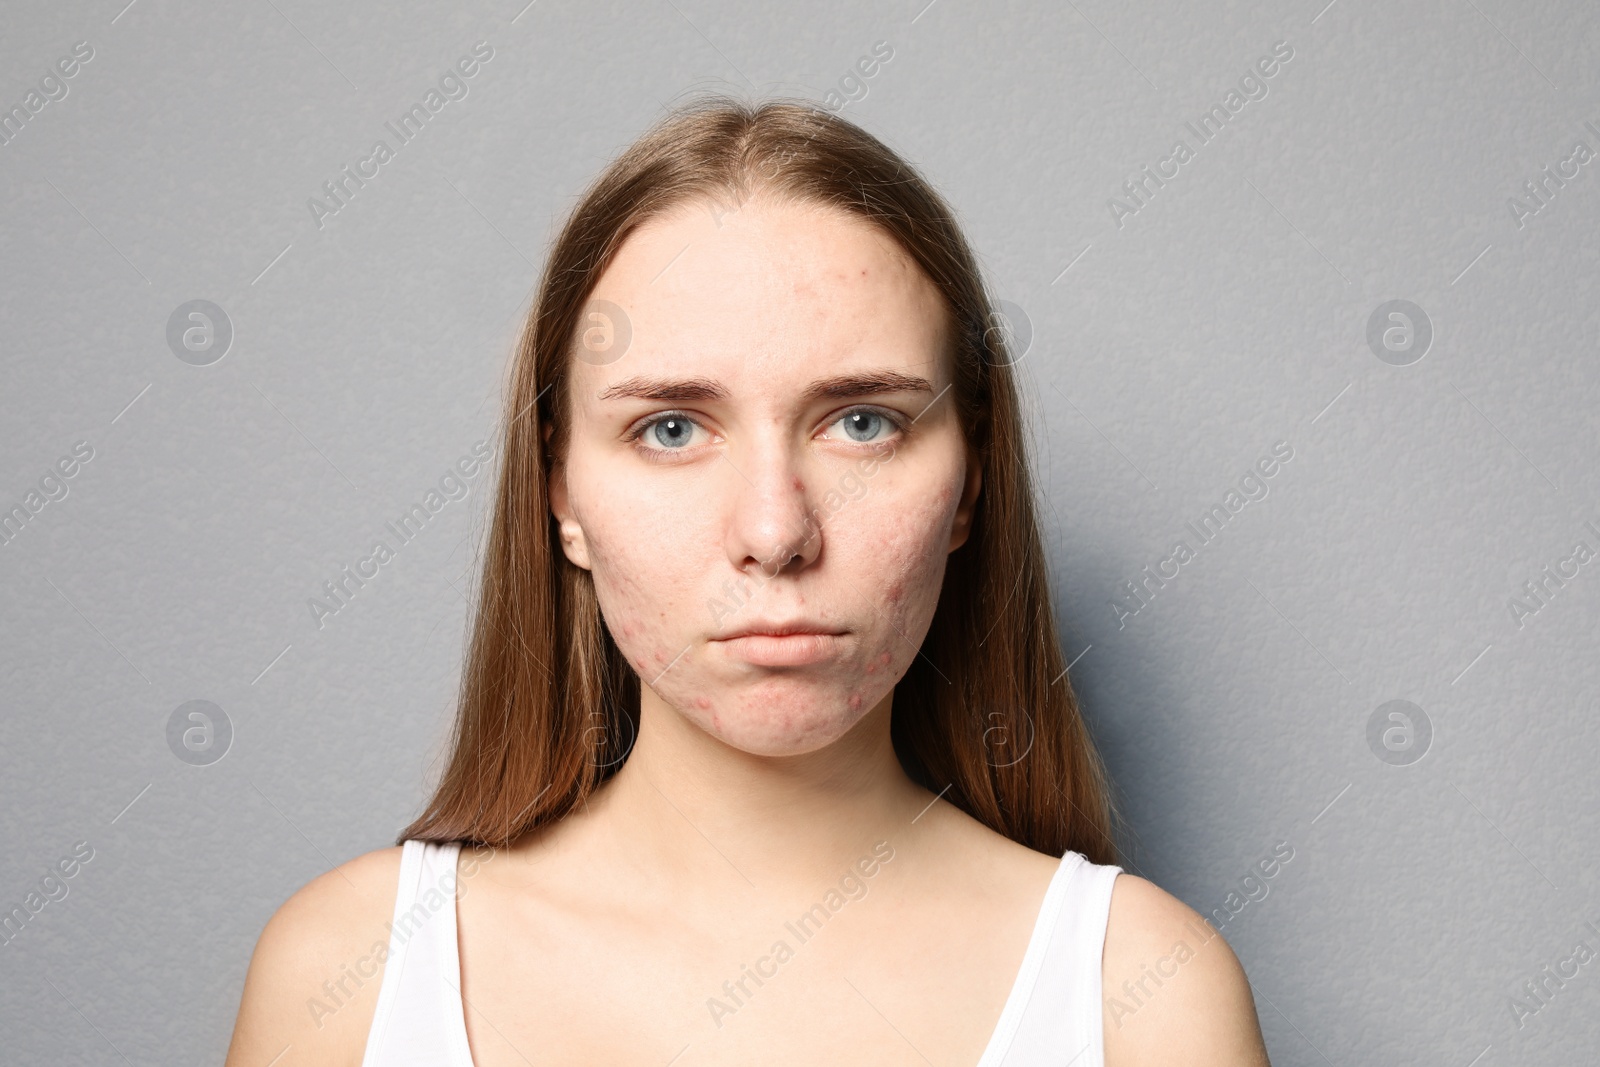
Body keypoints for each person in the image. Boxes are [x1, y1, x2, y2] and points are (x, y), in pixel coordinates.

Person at [224, 96, 1271, 1066]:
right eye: (670, 428)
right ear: (560, 491)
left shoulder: (1144, 998)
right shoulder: (345, 980)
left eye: (863, 422)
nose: (775, 532)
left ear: (970, 484)